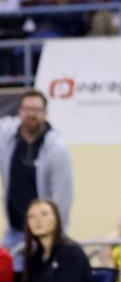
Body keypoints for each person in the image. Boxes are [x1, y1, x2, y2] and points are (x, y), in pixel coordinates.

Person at [0, 90, 73, 265]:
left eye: (36, 110)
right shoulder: (8, 140)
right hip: (15, 231)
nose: (31, 114)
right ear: (19, 112)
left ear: (45, 113)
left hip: (44, 234)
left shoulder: (57, 149)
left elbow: (63, 197)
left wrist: (54, 234)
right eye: (27, 109)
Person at [22, 199, 94, 282]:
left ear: (57, 218)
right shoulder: (34, 257)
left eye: (44, 214)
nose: (37, 220)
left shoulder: (72, 253)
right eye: (31, 216)